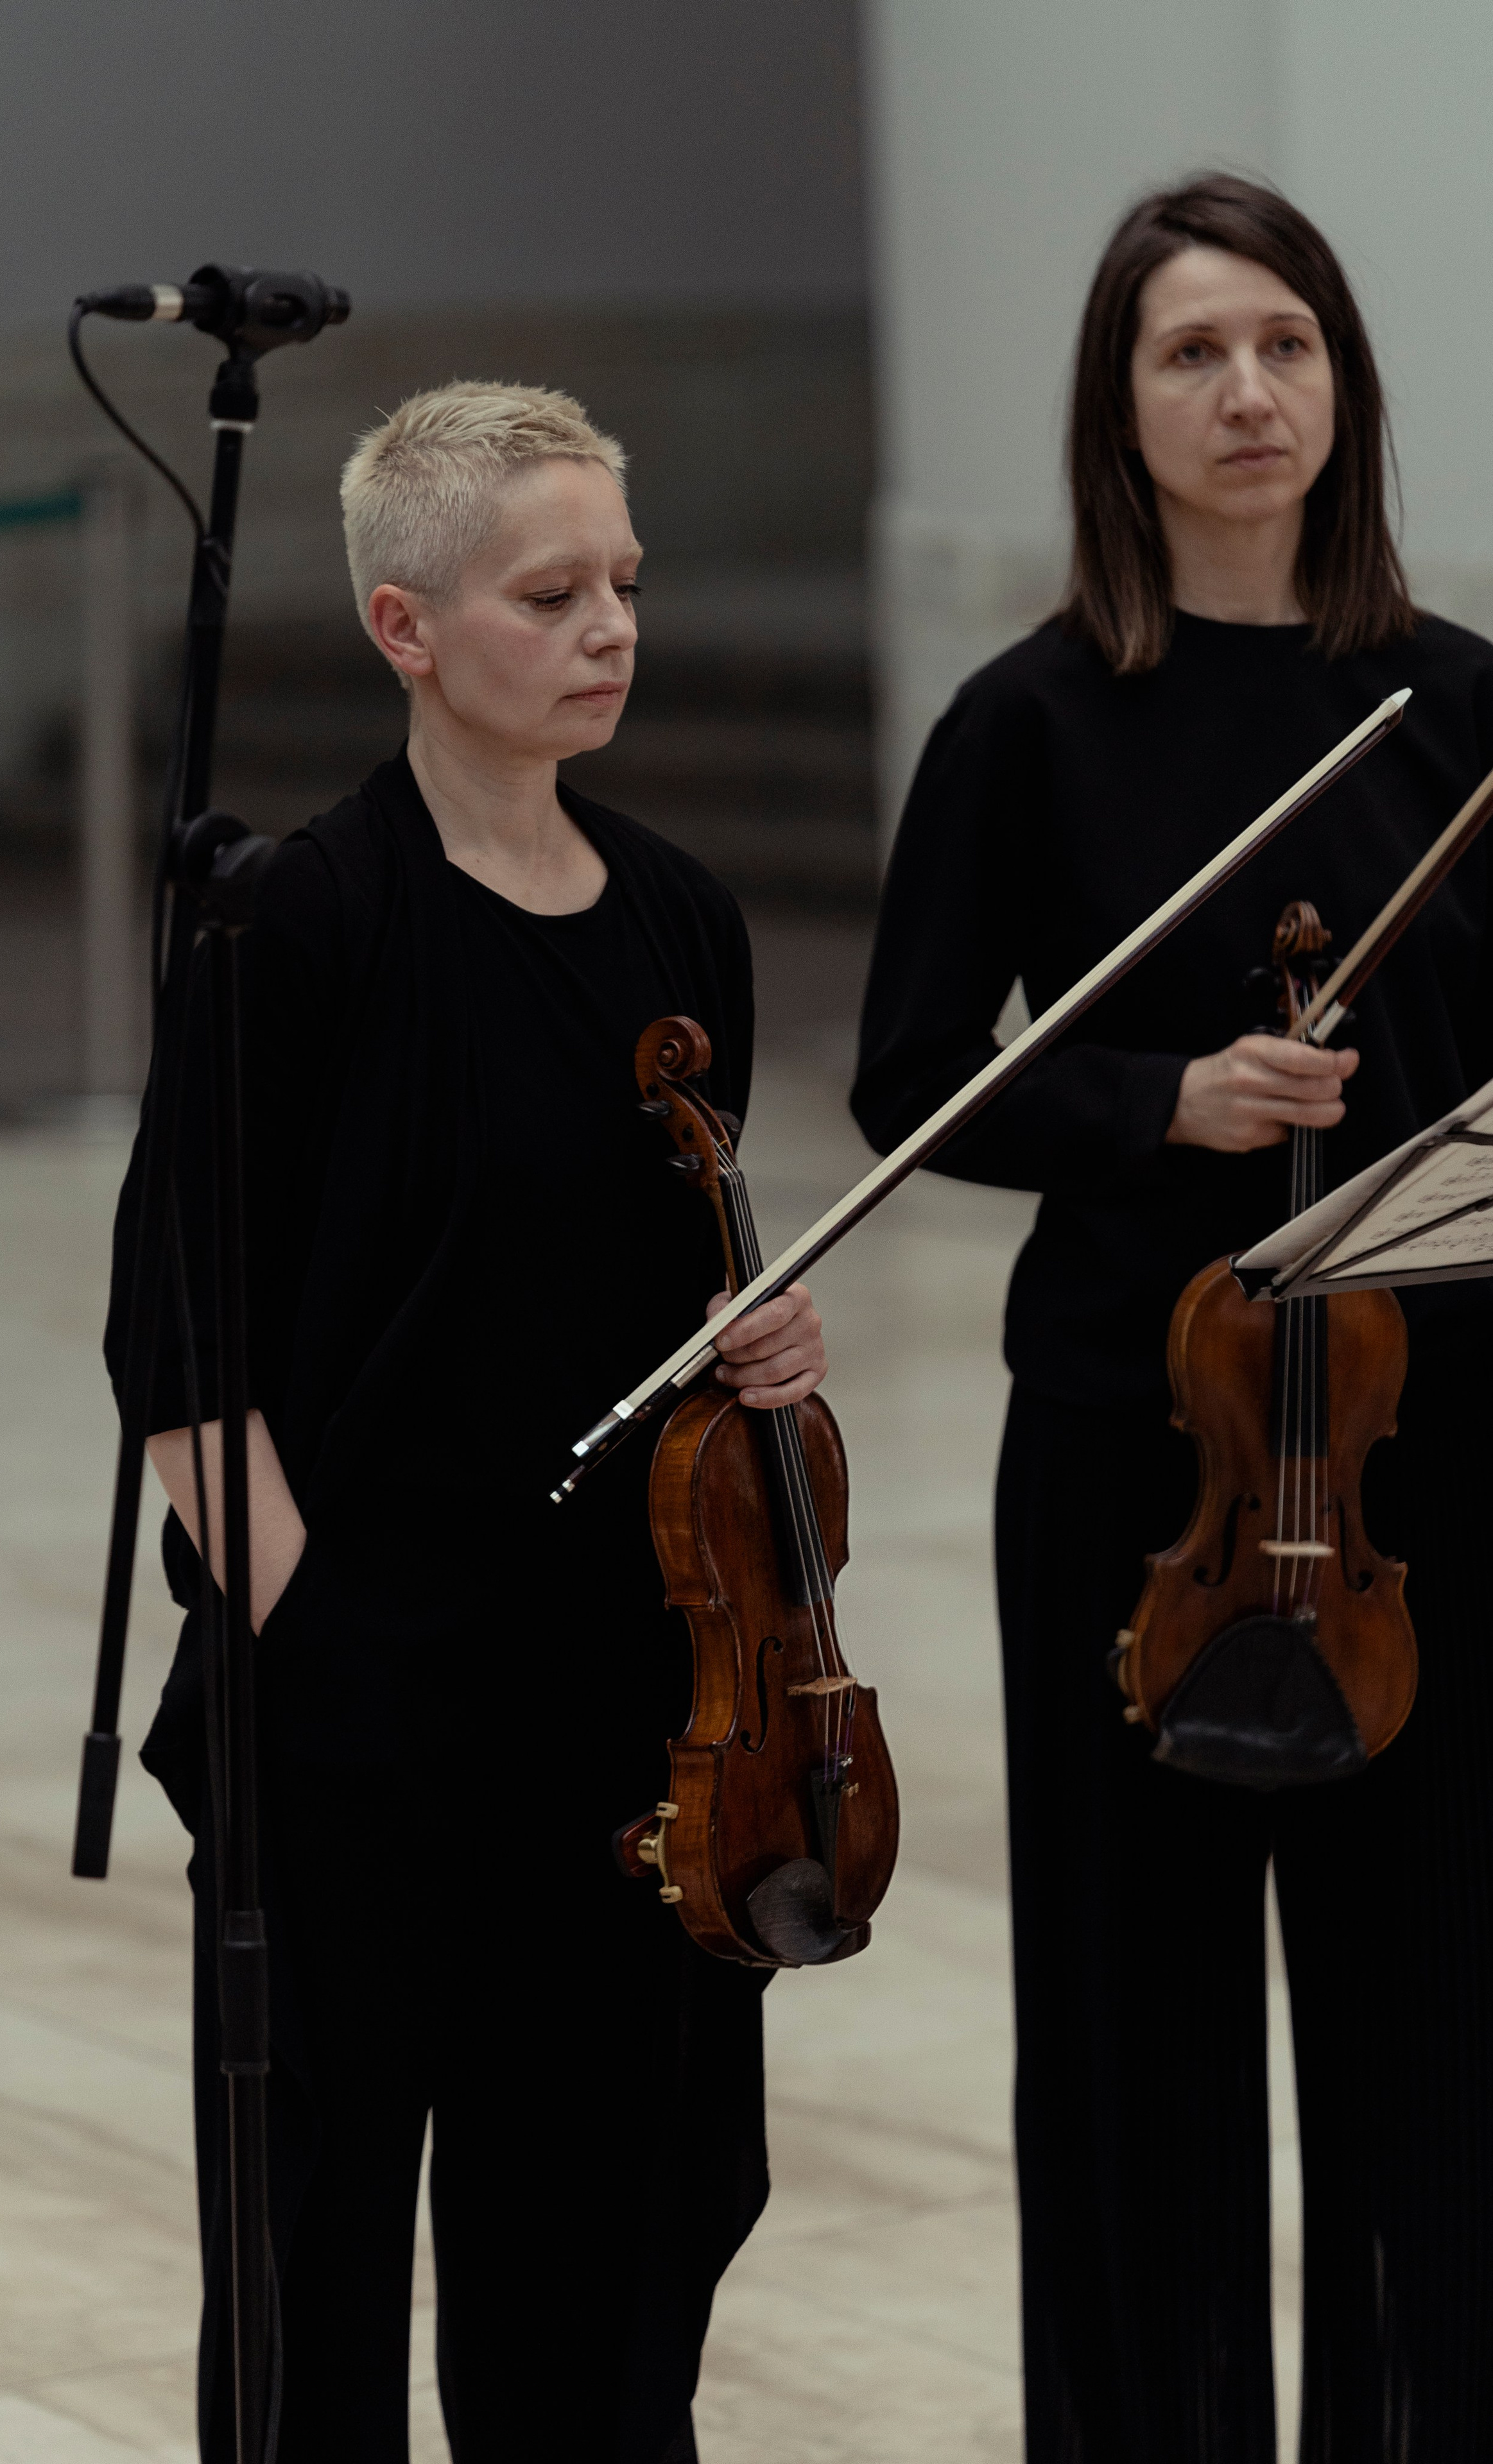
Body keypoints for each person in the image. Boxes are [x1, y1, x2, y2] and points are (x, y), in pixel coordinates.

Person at [107, 381, 830, 2463]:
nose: (609, 626)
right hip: (356, 1707)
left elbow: (679, 1282)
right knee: (317, 2268)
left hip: (635, 1712)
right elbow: (183, 1352)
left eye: (624, 582)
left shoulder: (683, 918)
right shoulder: (298, 925)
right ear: (407, 629)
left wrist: (756, 1339)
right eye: (550, 592)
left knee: (610, 2262)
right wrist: (317, 1656)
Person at [853, 175, 1493, 2462]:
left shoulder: (1461, 713)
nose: (1248, 393)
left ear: (1347, 385)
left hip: (1433, 1459)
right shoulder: (1030, 725)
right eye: (1191, 355)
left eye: (1287, 346)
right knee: (1137, 2040)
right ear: (1116, 415)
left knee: (1441, 2034)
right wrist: (1163, 1099)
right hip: (1145, 1454)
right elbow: (914, 1080)